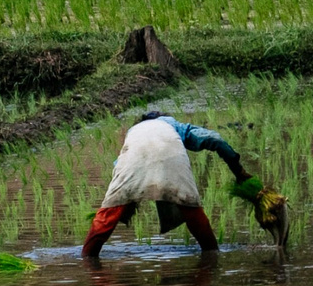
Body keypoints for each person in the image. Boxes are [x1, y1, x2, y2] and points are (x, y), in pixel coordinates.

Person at [83, 111, 247, 259]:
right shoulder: (171, 125)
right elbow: (215, 140)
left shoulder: (134, 132)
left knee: (106, 217)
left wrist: (122, 203)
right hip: (172, 158)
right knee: (193, 213)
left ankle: (86, 260)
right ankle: (212, 257)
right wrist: (239, 172)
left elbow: (119, 165)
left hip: (131, 164)